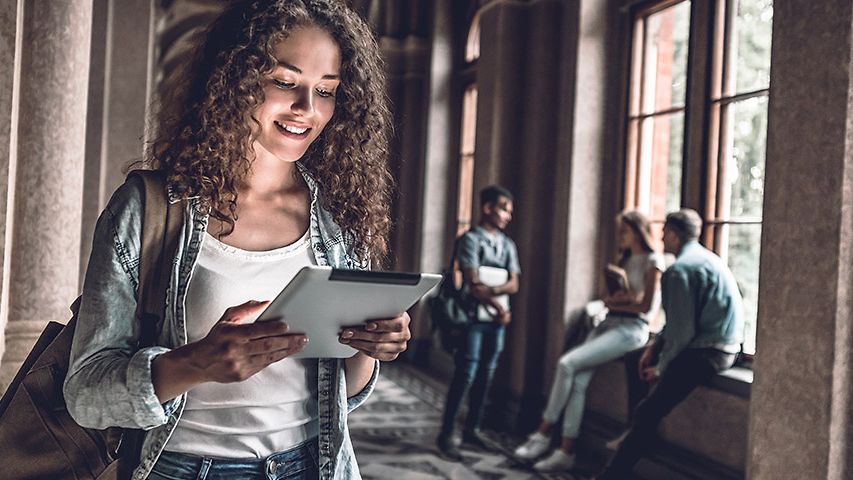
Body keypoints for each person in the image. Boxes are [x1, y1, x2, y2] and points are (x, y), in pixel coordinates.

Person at [63, 2, 406, 479]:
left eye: (326, 91)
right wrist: (196, 363)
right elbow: (87, 395)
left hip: (313, 466)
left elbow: (343, 395)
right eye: (286, 83)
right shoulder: (151, 208)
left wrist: (371, 344)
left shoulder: (338, 214)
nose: (307, 109)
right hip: (179, 469)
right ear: (235, 78)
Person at [596, 209, 744, 479]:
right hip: (717, 345)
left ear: (674, 235)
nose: (662, 238)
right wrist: (653, 348)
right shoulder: (706, 258)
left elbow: (683, 332)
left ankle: (616, 469)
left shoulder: (678, 270)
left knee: (648, 410)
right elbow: (677, 321)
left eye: (664, 233)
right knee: (635, 358)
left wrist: (662, 367)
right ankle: (637, 432)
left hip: (709, 351)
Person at [513, 210, 665, 472]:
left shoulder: (654, 261)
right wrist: (616, 299)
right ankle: (565, 451)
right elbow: (614, 298)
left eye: (624, 231)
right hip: (608, 323)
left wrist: (624, 302)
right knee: (579, 381)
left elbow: (646, 309)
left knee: (566, 364)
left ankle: (543, 432)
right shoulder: (625, 260)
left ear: (638, 231)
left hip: (630, 330)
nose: (621, 236)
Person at [436, 185, 521, 461]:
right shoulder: (470, 240)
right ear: (487, 208)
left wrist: (495, 297)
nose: (508, 215)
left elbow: (514, 282)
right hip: (473, 318)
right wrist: (498, 303)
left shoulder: (508, 244)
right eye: (503, 208)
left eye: (509, 210)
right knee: (467, 373)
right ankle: (447, 432)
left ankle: (473, 428)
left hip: (496, 321)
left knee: (487, 373)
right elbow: (473, 283)